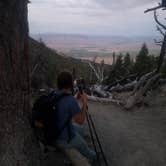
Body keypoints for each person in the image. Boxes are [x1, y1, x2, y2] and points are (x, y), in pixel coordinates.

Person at [55, 71, 96, 160]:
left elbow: (64, 102)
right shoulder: (70, 100)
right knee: (84, 146)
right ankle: (94, 157)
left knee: (80, 130)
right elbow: (81, 121)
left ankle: (80, 140)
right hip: (63, 138)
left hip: (55, 129)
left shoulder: (54, 94)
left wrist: (75, 98)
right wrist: (84, 103)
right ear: (70, 84)